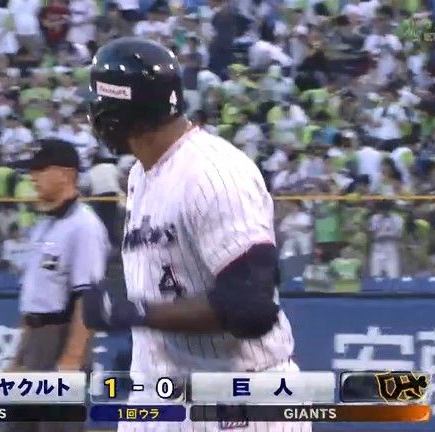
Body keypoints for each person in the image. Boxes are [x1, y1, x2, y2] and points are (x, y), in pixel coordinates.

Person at [82, 37, 311, 432]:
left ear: (122, 114)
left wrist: (138, 311)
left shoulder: (214, 174)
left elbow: (251, 308)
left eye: (101, 104)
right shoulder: (141, 174)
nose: (95, 115)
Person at [1, 138, 110, 432]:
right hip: (36, 340)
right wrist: (18, 357)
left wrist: (71, 360)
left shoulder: (84, 226)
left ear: (66, 174)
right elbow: (35, 300)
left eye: (39, 169)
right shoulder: (44, 225)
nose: (32, 177)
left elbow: (88, 299)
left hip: (60, 339)